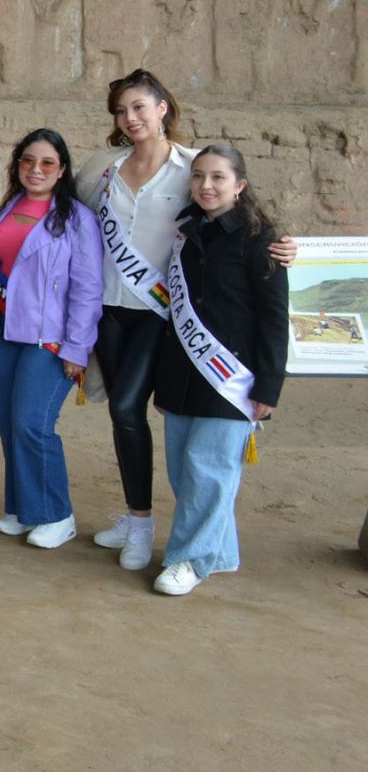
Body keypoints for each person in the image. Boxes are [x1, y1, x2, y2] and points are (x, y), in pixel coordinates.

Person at [74, 70, 296, 571]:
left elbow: (242, 214)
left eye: (138, 107)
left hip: (163, 313)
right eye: (120, 110)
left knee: (131, 408)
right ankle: (140, 521)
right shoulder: (104, 167)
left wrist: (285, 247)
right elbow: (70, 216)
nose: (129, 118)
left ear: (162, 109)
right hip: (110, 307)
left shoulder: (193, 166)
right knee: (124, 416)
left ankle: (152, 527)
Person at [150, 145, 289, 596]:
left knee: (208, 470)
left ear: (240, 186)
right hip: (182, 369)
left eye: (218, 178)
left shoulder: (261, 240)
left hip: (231, 378)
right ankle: (221, 550)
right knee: (183, 472)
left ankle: (188, 560)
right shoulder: (184, 231)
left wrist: (269, 385)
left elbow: (274, 318)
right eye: (198, 177)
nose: (206, 186)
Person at [0, 129, 102, 549]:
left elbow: (88, 289)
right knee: (9, 423)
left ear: (62, 170)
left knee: (33, 424)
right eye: (28, 161)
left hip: (50, 341)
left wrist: (76, 347)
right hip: (5, 335)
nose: (36, 170)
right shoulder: (9, 207)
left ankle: (57, 514)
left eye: (47, 163)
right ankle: (24, 509)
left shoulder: (78, 219)